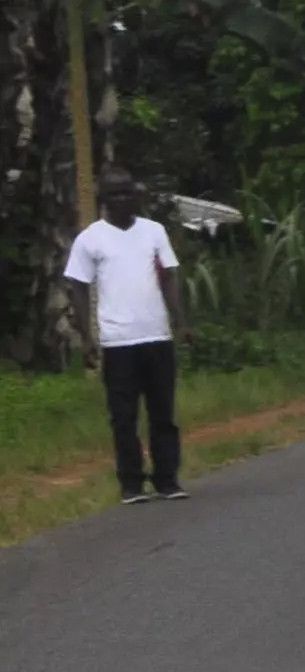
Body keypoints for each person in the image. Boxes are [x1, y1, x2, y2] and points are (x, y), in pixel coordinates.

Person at [64, 177, 188, 503]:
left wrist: (180, 320)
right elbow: (78, 285)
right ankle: (131, 483)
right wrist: (86, 337)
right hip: (118, 341)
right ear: (104, 199)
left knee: (163, 412)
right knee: (123, 415)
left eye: (127, 193)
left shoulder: (154, 231)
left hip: (157, 335)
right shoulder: (90, 239)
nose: (121, 199)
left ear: (136, 196)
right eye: (114, 194)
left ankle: (167, 479)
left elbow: (169, 275)